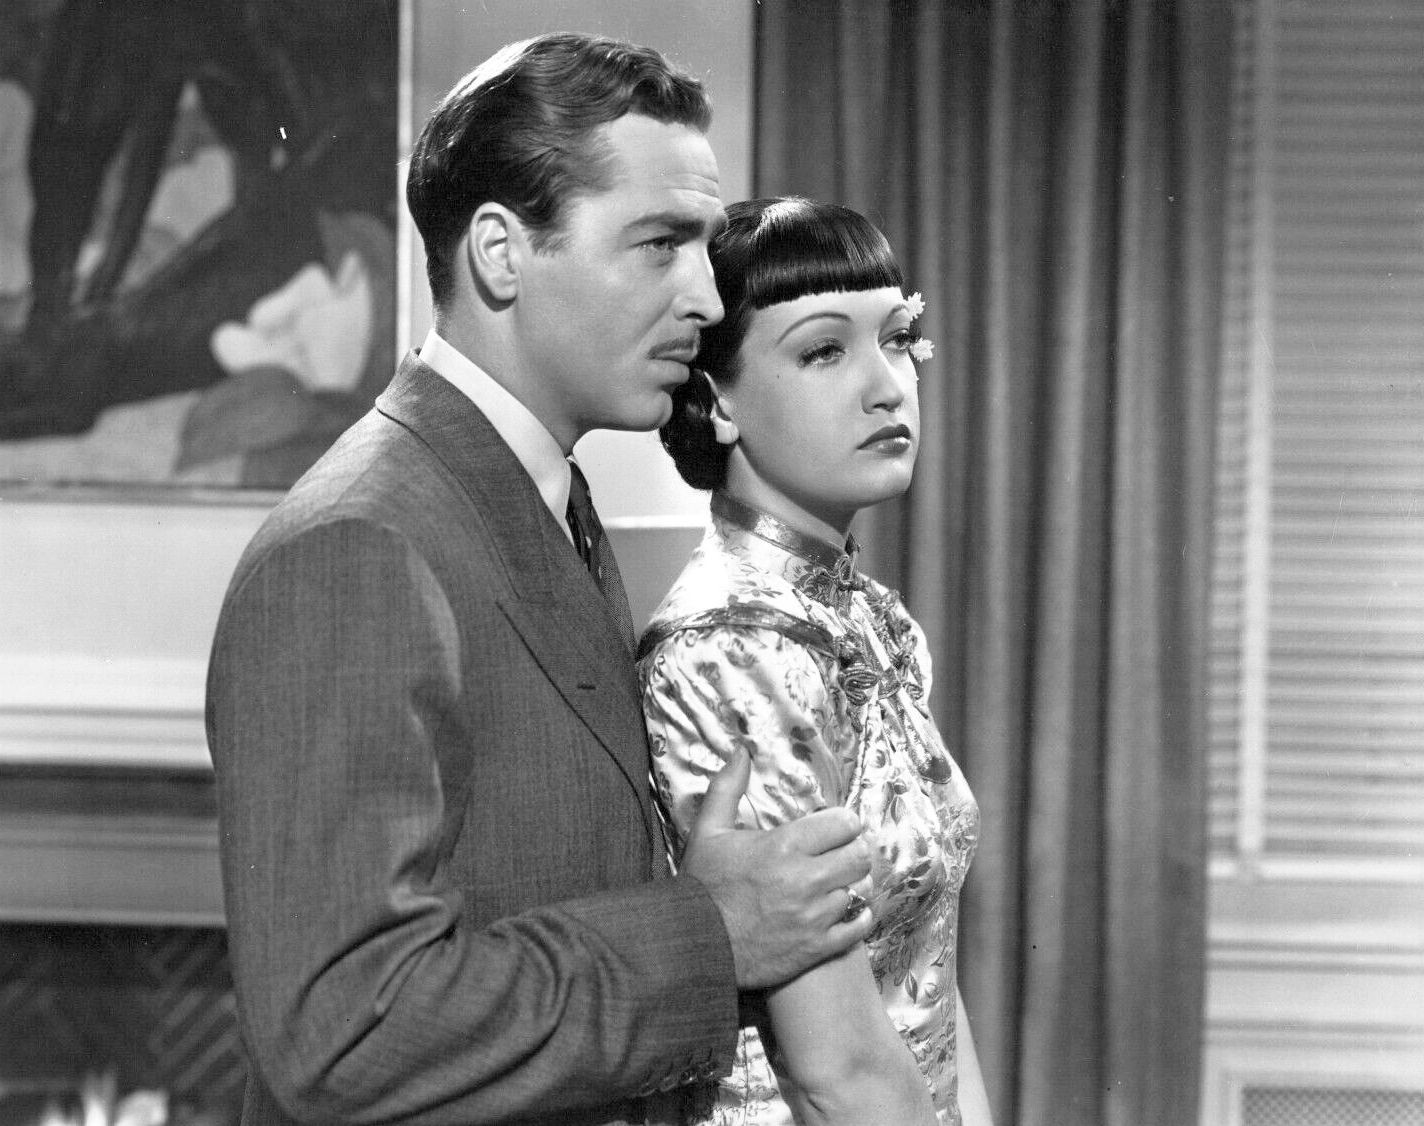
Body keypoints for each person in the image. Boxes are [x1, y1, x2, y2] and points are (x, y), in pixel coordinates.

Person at [205, 38, 877, 1126]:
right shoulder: (359, 545)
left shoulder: (534, 494)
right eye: (659, 244)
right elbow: (346, 1031)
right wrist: (710, 934)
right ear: (500, 253)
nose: (708, 298)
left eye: (703, 247)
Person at [639, 197, 995, 1126]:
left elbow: (928, 973)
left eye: (898, 339)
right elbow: (837, 1071)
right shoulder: (732, 647)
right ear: (718, 400)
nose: (888, 387)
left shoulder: (872, 620)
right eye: (825, 350)